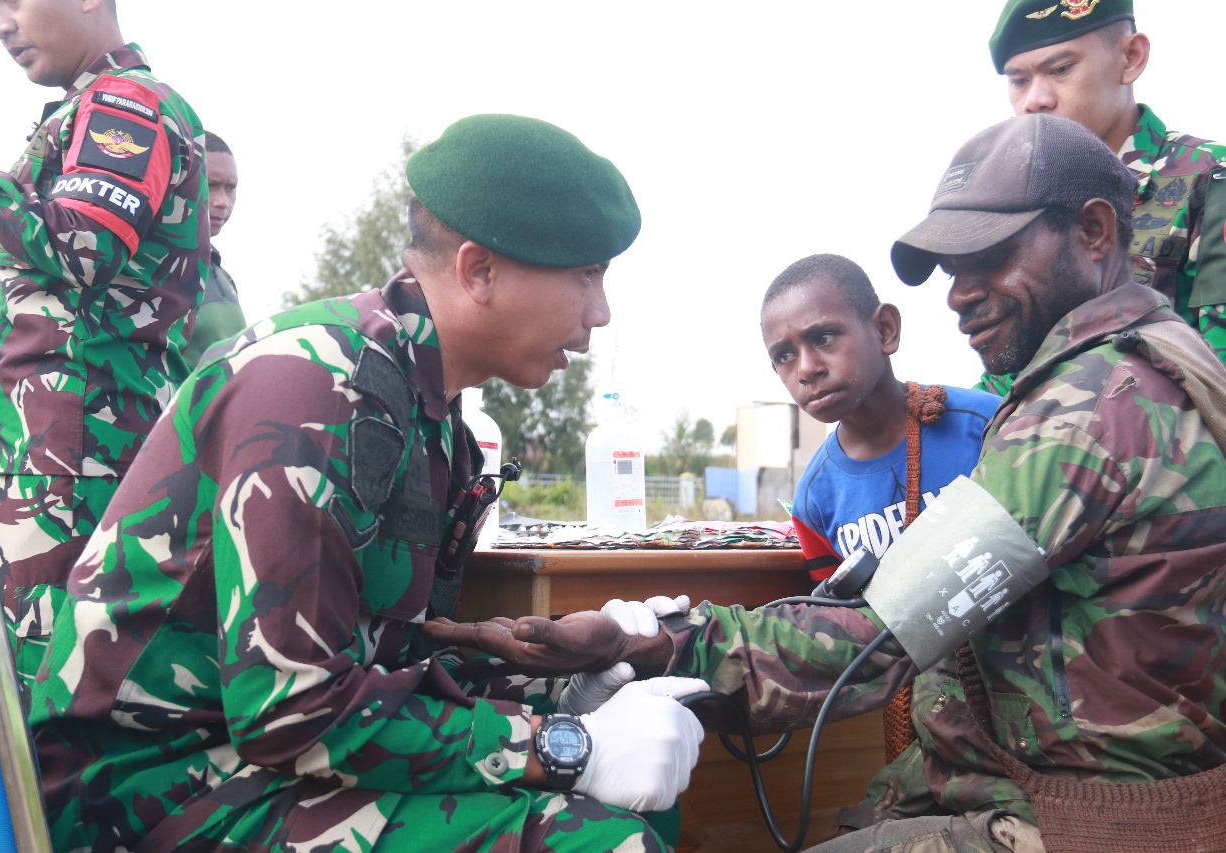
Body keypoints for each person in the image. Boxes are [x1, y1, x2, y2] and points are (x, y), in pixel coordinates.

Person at [428, 114, 1226, 852]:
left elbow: (881, 631)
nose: (958, 295)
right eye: (952, 270)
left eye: (990, 258)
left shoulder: (1089, 407)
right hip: (1034, 785)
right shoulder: (1159, 360)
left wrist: (654, 642)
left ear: (1094, 231)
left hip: (1089, 821)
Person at [30, 113, 708, 853]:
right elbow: (290, 711)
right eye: (586, 275)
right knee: (602, 842)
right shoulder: (316, 388)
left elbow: (382, 661)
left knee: (648, 797)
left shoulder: (422, 406)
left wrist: (562, 695)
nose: (599, 315)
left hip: (256, 756)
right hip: (147, 794)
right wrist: (564, 744)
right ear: (479, 271)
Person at [0, 0, 208, 689]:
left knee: (52, 685)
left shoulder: (125, 104)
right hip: (54, 452)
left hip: (76, 453)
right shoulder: (87, 107)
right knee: (26, 673)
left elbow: (82, 245)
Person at [761, 253, 1001, 834]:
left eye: (824, 338)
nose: (807, 368)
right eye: (784, 355)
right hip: (920, 720)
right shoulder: (816, 496)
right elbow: (849, 629)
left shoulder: (986, 426)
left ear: (886, 330)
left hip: (1019, 696)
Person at [978, 0, 1226, 396]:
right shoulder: (1023, 206)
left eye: (1061, 69)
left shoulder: (1208, 179)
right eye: (1019, 81)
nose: (1035, 100)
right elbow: (1006, 380)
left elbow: (1219, 374)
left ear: (1131, 58)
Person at [182, 131, 247, 370]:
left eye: (230, 188)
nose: (222, 202)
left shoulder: (222, 277)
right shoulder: (150, 266)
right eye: (210, 185)